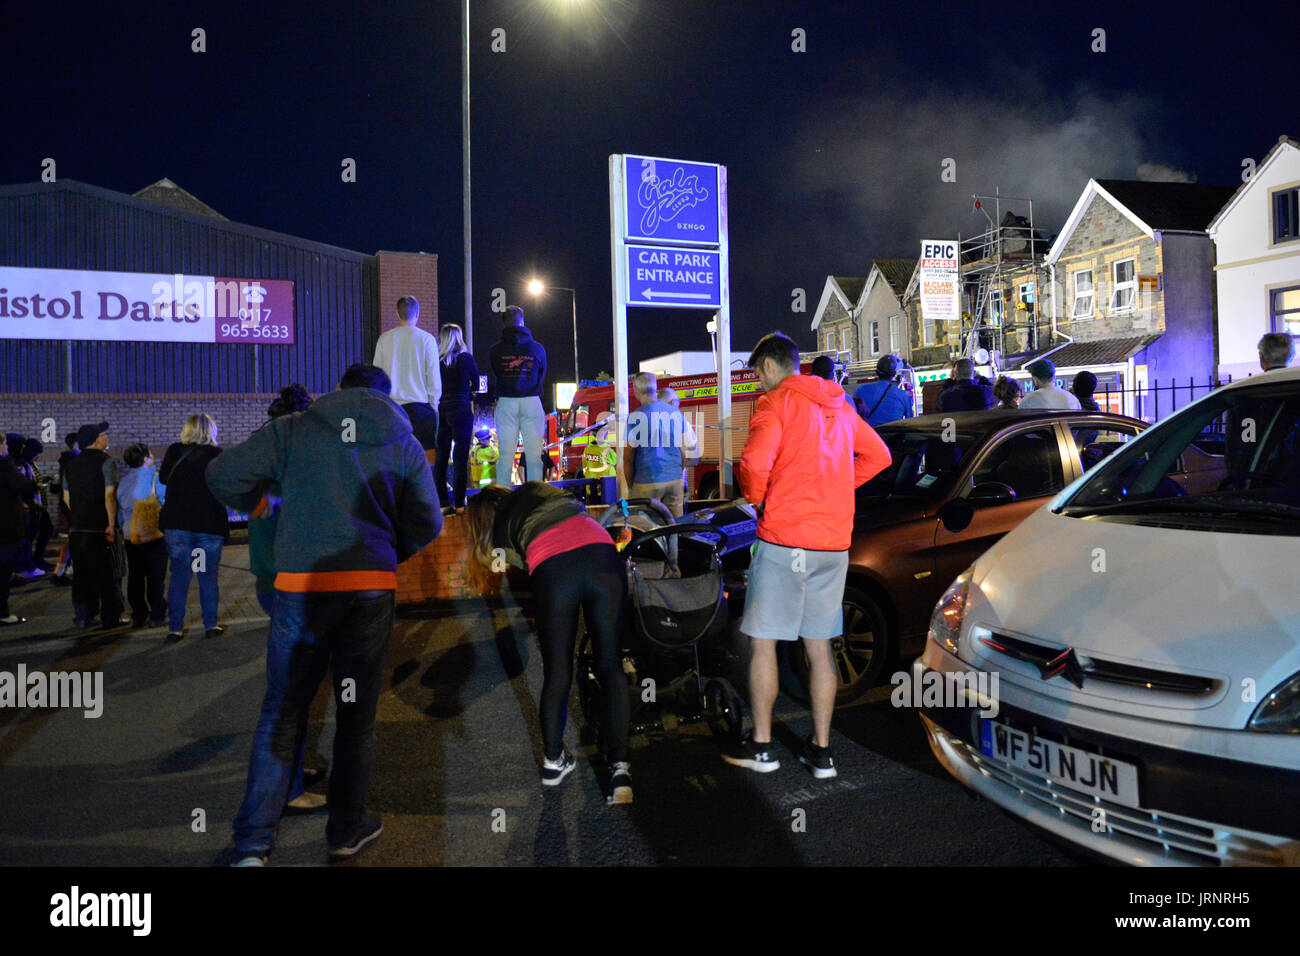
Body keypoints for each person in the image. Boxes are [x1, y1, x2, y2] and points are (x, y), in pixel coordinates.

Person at [206, 362, 442, 866]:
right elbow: (429, 518)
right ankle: (346, 830)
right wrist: (384, 554)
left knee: (284, 709)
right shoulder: (401, 438)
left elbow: (221, 474)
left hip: (301, 587)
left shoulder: (294, 428)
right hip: (369, 589)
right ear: (386, 395)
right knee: (356, 716)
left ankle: (252, 844)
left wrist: (267, 502)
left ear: (337, 390)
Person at [725, 332, 890, 779]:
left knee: (763, 643)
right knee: (820, 648)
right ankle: (821, 752)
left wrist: (760, 497)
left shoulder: (775, 404)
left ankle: (762, 746)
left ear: (769, 367)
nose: (759, 383)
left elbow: (755, 465)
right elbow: (879, 455)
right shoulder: (841, 404)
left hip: (784, 540)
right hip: (832, 544)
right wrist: (834, 488)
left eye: (758, 374)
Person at [465, 481, 631, 803]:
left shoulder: (499, 531)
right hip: (600, 550)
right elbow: (577, 506)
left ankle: (554, 762)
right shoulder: (537, 488)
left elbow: (516, 565)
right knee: (610, 664)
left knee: (557, 673)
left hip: (554, 568)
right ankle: (620, 771)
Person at [158, 414, 230, 642]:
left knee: (179, 577)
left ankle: (175, 629)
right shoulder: (217, 455)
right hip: (209, 525)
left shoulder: (174, 451)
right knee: (207, 577)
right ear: (211, 431)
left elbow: (163, 479)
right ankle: (211, 625)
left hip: (178, 525)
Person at [62, 422, 126, 629]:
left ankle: (83, 615)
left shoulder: (71, 464)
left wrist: (79, 513)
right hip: (100, 528)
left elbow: (66, 497)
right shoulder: (107, 462)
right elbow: (110, 495)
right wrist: (110, 523)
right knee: (108, 574)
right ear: (96, 440)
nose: (107, 438)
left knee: (82, 574)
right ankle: (111, 617)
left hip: (78, 528)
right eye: (104, 435)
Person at [373, 295, 442, 454]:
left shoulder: (384, 339)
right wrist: (434, 405)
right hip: (421, 410)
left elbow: (377, 376)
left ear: (397, 313)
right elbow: (433, 376)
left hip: (392, 409)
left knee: (394, 460)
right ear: (417, 313)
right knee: (425, 461)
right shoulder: (427, 340)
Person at [622, 372, 695, 518]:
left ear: (636, 391)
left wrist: (631, 487)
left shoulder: (635, 417)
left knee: (648, 527)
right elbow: (686, 450)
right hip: (674, 480)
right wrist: (677, 473)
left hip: (646, 481)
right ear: (655, 388)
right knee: (674, 527)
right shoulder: (675, 412)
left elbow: (628, 458)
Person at [490, 306, 547, 485]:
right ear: (523, 322)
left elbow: (497, 371)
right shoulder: (537, 349)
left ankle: (502, 496)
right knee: (534, 458)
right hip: (531, 400)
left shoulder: (496, 350)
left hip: (506, 401)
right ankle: (535, 497)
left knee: (505, 457)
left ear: (504, 324)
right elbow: (541, 373)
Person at [117, 443, 168, 628]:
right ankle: (156, 614)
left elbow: (120, 513)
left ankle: (138, 614)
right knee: (156, 577)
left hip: (131, 537)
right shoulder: (156, 480)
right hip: (154, 536)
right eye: (151, 454)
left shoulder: (122, 483)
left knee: (135, 576)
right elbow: (165, 503)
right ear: (146, 459)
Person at [434, 324, 479, 513]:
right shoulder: (466, 359)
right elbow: (476, 383)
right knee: (460, 458)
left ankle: (443, 504)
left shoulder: (436, 360)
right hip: (461, 410)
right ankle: (460, 504)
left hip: (441, 410)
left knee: (441, 458)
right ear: (459, 338)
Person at [0, 432, 37, 626]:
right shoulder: (4, 465)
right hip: (5, 527)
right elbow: (23, 486)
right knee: (3, 571)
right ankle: (2, 613)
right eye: (4, 443)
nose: (6, 447)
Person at [852, 356, 913, 426]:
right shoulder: (904, 395)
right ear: (894, 374)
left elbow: (853, 415)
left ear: (876, 372)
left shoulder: (861, 389)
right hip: (894, 435)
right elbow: (910, 422)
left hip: (870, 435)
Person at [51, 433, 79, 586]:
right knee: (75, 541)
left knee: (72, 541)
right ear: (76, 445)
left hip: (69, 507)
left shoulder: (67, 461)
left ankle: (61, 571)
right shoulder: (72, 462)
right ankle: (61, 572)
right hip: (73, 508)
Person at [583, 413, 619, 479]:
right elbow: (615, 461)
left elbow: (585, 468)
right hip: (607, 484)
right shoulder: (607, 450)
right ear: (604, 434)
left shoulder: (587, 450)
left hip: (591, 484)